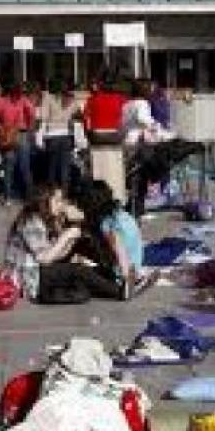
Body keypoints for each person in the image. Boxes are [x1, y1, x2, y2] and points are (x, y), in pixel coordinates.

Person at [4, 185, 125, 305]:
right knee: (78, 271)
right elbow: (44, 258)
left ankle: (111, 280)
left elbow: (57, 255)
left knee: (81, 279)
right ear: (44, 201)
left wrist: (71, 239)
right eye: (57, 201)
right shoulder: (30, 222)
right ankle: (118, 291)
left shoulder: (44, 220)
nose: (61, 205)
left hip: (39, 273)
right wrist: (66, 236)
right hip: (29, 277)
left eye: (62, 200)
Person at [73, 178, 152, 299]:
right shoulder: (120, 213)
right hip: (135, 262)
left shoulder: (105, 221)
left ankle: (126, 286)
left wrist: (126, 276)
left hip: (122, 272)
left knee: (81, 271)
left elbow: (117, 243)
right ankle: (133, 279)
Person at [82, 70, 128, 202]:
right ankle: (118, 197)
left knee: (98, 169)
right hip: (116, 137)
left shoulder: (92, 99)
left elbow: (86, 120)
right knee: (116, 169)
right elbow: (126, 118)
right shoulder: (121, 99)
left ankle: (99, 198)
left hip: (97, 138)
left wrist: (88, 135)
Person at [0, 82, 35, 204]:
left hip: (9, 135)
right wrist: (30, 129)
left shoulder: (3, 101)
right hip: (19, 134)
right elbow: (32, 114)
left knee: (9, 168)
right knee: (23, 167)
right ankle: (27, 196)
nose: (19, 95)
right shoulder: (22, 100)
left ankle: (8, 197)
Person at [39, 77, 80, 193]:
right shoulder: (70, 99)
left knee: (52, 167)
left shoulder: (48, 98)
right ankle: (65, 193)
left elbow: (44, 117)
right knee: (65, 166)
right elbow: (77, 114)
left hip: (52, 136)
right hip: (66, 135)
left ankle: (52, 193)